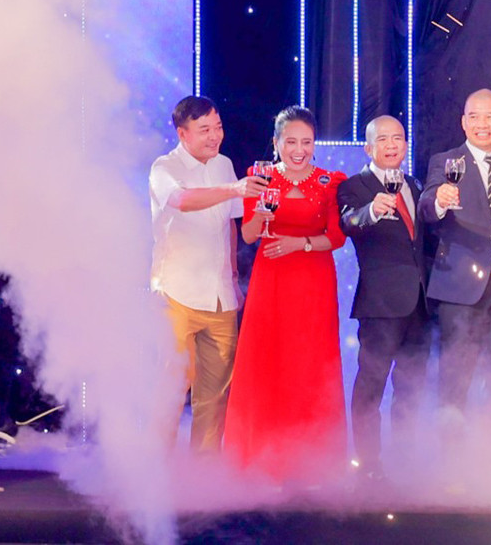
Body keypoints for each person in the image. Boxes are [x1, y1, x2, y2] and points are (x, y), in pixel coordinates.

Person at [220, 107, 348, 479]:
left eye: (306, 142)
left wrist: (299, 244)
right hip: (271, 281)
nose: (299, 150)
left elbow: (336, 237)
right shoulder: (259, 177)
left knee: (309, 363)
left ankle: (312, 463)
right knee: (267, 362)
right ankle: (265, 462)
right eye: (291, 142)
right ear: (276, 142)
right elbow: (248, 235)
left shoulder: (330, 182)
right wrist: (261, 212)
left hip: (313, 282)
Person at [149, 95, 250, 451]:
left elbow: (230, 224)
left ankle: (203, 474)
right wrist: (233, 189)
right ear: (183, 133)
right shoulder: (164, 168)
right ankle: (157, 469)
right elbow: (182, 200)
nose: (215, 136)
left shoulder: (224, 164)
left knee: (215, 394)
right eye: (204, 129)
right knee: (171, 387)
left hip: (221, 295)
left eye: (218, 127)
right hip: (175, 294)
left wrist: (234, 277)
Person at [421, 88, 491, 420]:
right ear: (463, 122)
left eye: (490, 116)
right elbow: (426, 206)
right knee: (455, 381)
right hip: (462, 290)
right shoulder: (447, 162)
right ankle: (452, 450)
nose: (482, 124)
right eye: (474, 117)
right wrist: (440, 199)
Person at [337, 115, 427, 480]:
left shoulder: (415, 185)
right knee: (370, 387)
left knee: (411, 388)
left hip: (420, 306)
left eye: (398, 138)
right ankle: (368, 466)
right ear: (368, 147)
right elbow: (349, 222)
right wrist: (372, 210)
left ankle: (405, 462)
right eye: (383, 139)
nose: (392, 145)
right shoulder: (354, 186)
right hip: (380, 306)